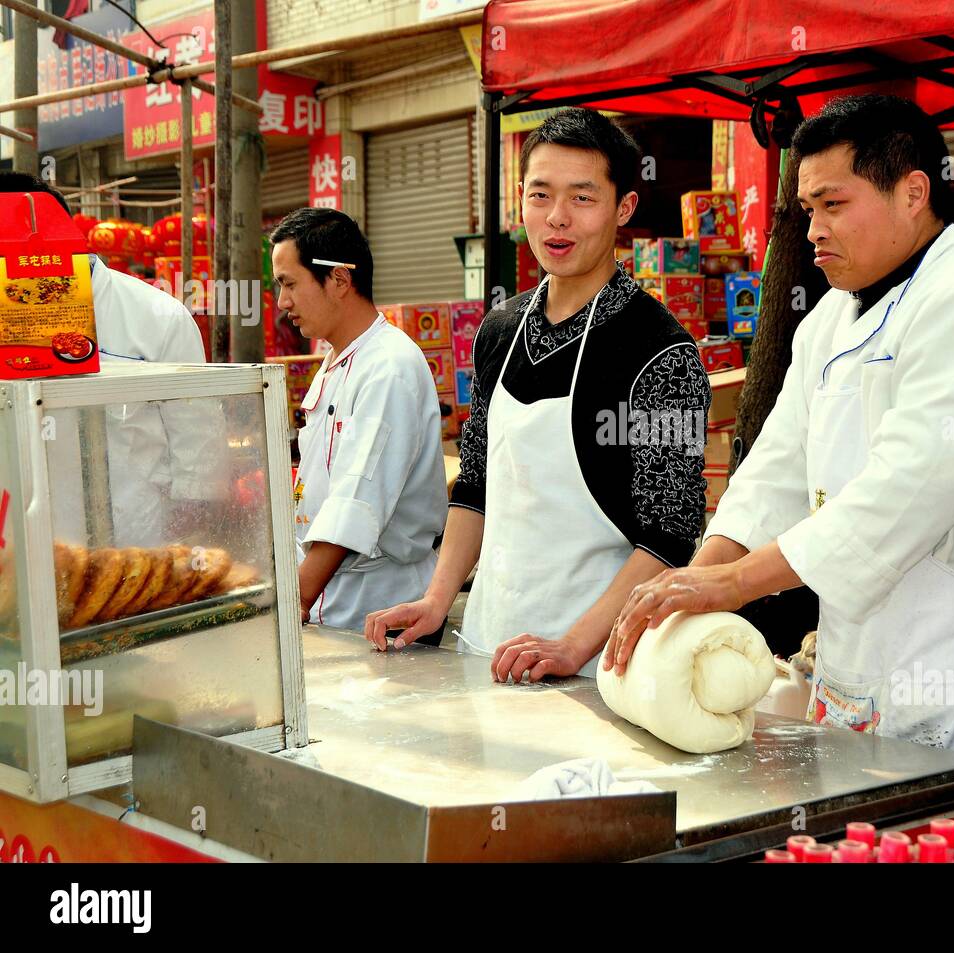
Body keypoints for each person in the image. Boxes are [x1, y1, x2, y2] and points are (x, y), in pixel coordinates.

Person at [608, 95, 954, 752]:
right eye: (808, 209)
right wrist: (691, 585)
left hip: (951, 658)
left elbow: (902, 493)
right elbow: (774, 472)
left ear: (913, 193)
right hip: (851, 654)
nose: (814, 229)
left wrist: (732, 583)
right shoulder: (831, 320)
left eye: (834, 205)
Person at [364, 108, 710, 682]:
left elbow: (669, 535)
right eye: (540, 195)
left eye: (582, 198)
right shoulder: (501, 328)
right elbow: (474, 484)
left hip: (598, 669)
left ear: (624, 208)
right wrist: (437, 599)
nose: (556, 219)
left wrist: (572, 647)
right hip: (486, 641)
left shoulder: (661, 353)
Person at [0, 172, 225, 547]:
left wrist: (182, 550)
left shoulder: (157, 316)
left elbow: (198, 445)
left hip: (137, 542)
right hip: (23, 547)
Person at [270, 207, 447, 631]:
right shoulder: (335, 360)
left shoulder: (388, 365)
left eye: (290, 284)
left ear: (339, 280)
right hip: (333, 600)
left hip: (381, 609)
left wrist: (292, 602)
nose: (283, 303)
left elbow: (356, 499)